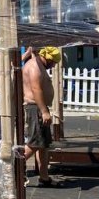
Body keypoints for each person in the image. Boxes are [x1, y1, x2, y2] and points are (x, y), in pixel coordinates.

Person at [21, 45, 62, 186]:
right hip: (35, 108)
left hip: (39, 107)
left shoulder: (38, 64)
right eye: (53, 62)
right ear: (48, 58)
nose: (53, 65)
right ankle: (13, 168)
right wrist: (44, 112)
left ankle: (44, 177)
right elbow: (36, 89)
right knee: (35, 143)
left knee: (43, 145)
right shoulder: (34, 67)